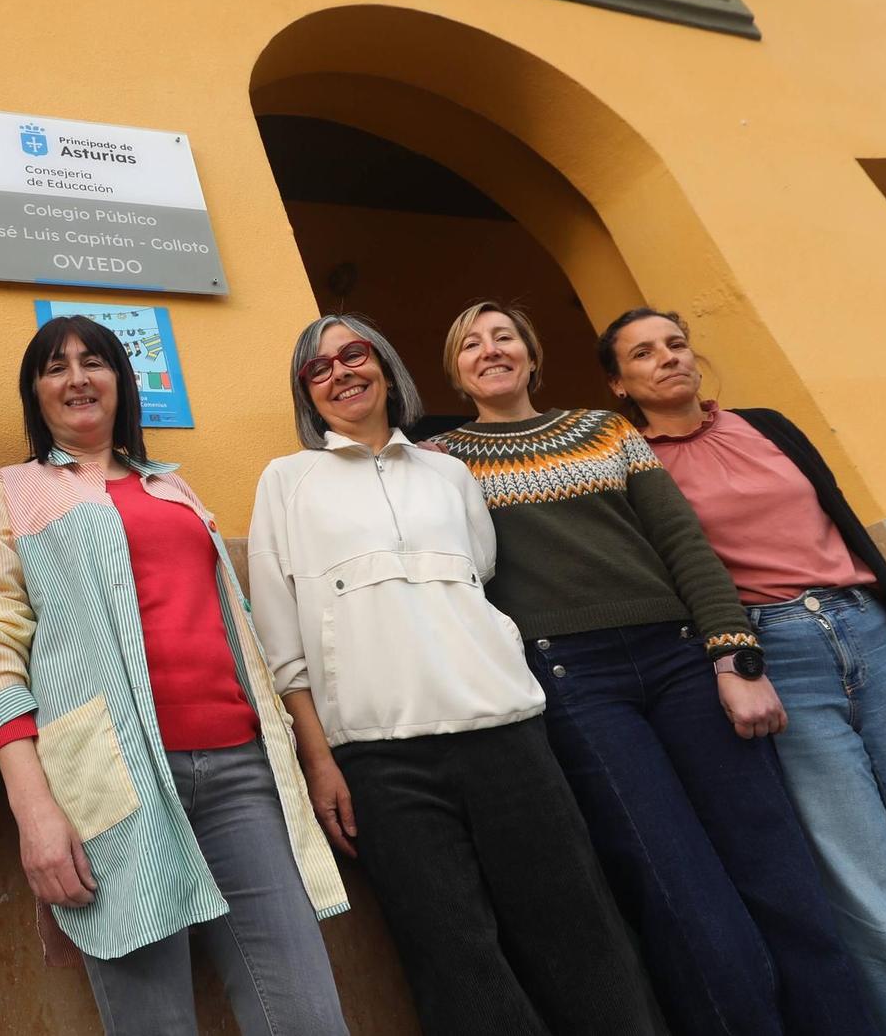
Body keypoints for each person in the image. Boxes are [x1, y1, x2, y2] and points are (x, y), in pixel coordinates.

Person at [601, 306, 886, 1036]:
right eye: (644, 353)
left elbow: (842, 521)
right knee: (876, 910)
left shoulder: (768, 425)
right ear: (619, 383)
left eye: (677, 343)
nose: (668, 358)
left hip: (874, 637)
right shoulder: (630, 466)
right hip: (777, 663)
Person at [428, 300, 875, 1036]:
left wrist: (734, 656)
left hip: (680, 660)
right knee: (679, 891)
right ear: (454, 370)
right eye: (470, 343)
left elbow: (684, 544)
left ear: (532, 354)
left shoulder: (606, 431)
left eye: (504, 335)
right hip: (573, 685)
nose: (490, 349)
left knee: (780, 869)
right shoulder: (442, 462)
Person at [248, 313, 663, 1036]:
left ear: (387, 367)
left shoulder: (448, 471)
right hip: (378, 756)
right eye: (319, 367)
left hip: (506, 729)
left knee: (579, 933)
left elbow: (481, 576)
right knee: (455, 957)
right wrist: (320, 759)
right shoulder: (287, 481)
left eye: (356, 353)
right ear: (305, 393)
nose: (341, 371)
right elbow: (280, 643)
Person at [0, 315, 349, 1036]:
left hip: (240, 775)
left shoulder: (174, 487)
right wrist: (34, 808)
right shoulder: (12, 491)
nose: (76, 377)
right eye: (54, 366)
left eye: (93, 361)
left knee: (307, 1019)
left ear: (122, 382)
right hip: (112, 785)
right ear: (35, 394)